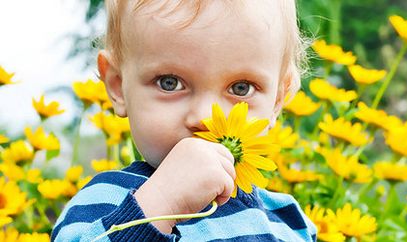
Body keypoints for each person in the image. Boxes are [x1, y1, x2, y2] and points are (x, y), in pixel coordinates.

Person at [52, 0, 317, 241]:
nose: (205, 117)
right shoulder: (103, 204)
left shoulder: (289, 222)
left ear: (277, 101)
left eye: (241, 88)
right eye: (170, 83)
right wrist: (162, 203)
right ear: (118, 86)